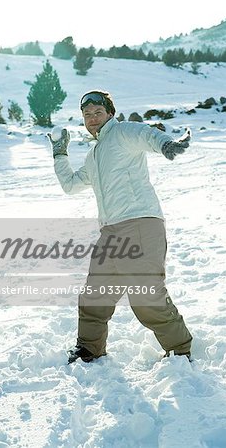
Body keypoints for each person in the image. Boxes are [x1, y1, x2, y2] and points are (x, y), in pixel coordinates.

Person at [48, 90, 193, 363]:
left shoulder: (122, 133)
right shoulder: (94, 154)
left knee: (145, 293)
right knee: (95, 294)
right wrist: (59, 153)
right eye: (87, 115)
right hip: (110, 231)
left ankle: (180, 351)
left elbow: (145, 135)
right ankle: (89, 348)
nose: (92, 119)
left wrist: (165, 144)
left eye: (97, 113)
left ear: (109, 114)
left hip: (140, 223)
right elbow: (70, 185)